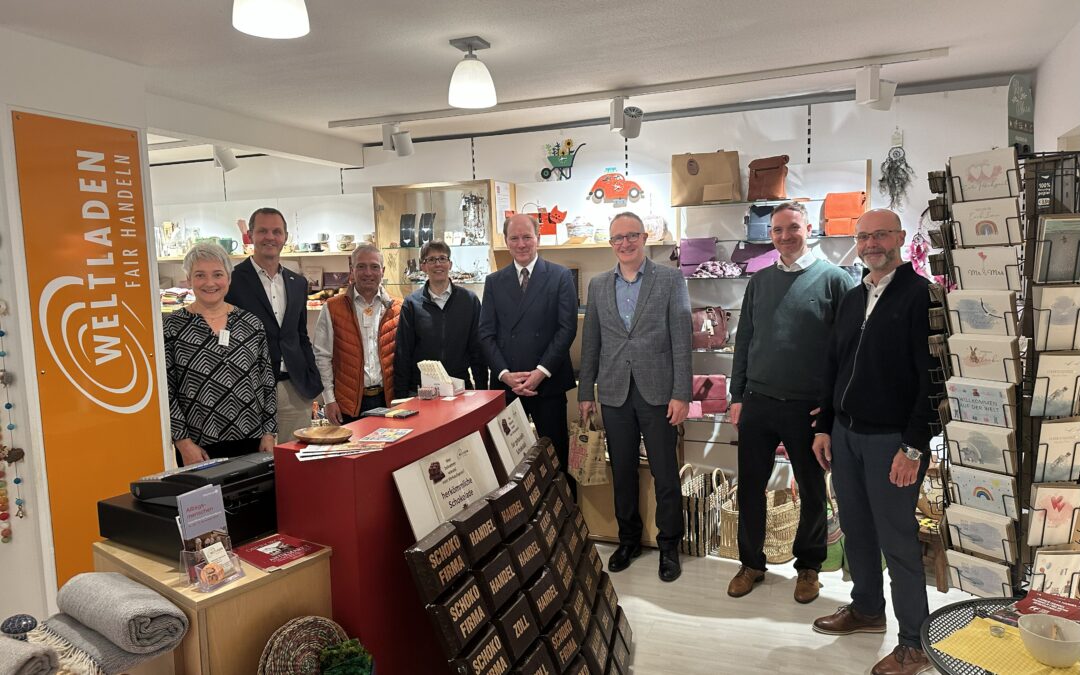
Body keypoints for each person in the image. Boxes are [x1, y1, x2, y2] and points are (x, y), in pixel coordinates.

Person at [811, 209, 935, 675]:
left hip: (892, 443)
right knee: (857, 529)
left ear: (900, 238)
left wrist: (914, 447)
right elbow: (834, 366)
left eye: (881, 234)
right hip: (845, 435)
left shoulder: (922, 296)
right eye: (863, 236)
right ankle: (866, 608)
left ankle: (914, 643)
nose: (870, 244)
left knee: (898, 541)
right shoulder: (851, 295)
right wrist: (824, 425)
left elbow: (932, 381)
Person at [726, 202, 854, 603]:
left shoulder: (835, 281)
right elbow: (744, 340)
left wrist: (831, 407)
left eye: (792, 228)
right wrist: (736, 395)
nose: (784, 236)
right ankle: (751, 563)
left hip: (808, 407)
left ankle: (809, 567)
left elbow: (848, 351)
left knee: (813, 489)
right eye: (777, 230)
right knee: (749, 486)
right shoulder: (759, 281)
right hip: (758, 402)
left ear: (809, 228)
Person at [578, 212, 692, 582]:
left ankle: (669, 544)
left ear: (644, 238)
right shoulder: (597, 285)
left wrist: (681, 393)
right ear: (610, 243)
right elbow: (591, 342)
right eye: (617, 238)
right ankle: (627, 540)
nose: (625, 243)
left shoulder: (670, 279)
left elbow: (681, 340)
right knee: (622, 470)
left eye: (631, 236)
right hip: (613, 392)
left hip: (658, 392)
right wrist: (585, 392)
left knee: (664, 472)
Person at [479, 214, 578, 489]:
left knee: (556, 459)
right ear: (506, 241)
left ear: (538, 238)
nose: (521, 244)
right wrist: (505, 374)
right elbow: (485, 334)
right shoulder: (494, 281)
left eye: (527, 237)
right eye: (514, 238)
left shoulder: (560, 276)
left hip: (548, 385)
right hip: (509, 387)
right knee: (510, 464)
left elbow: (566, 329)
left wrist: (540, 372)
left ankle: (563, 525)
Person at [164, 243, 276, 466]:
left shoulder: (251, 323)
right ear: (188, 279)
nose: (210, 283)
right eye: (200, 275)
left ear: (229, 278)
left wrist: (269, 433)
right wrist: (183, 443)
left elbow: (266, 382)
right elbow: (167, 391)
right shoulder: (171, 327)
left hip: (252, 441)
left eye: (217, 274)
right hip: (199, 446)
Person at [226, 208, 322, 440]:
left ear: (285, 237)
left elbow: (300, 335)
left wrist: (311, 375)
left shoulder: (297, 282)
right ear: (250, 235)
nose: (270, 237)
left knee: (296, 460)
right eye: (263, 231)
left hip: (295, 387)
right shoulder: (231, 280)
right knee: (259, 464)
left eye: (277, 231)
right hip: (251, 389)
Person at [314, 244, 402, 423]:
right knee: (353, 451)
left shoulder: (398, 308)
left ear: (382, 271)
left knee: (390, 451)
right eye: (361, 266)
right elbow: (322, 357)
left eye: (374, 266)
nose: (368, 272)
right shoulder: (332, 308)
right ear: (352, 270)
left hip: (389, 401)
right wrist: (329, 401)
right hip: (348, 404)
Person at [393, 241, 488, 398]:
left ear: (450, 264)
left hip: (461, 388)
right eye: (431, 260)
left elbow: (477, 350)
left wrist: (483, 392)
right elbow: (403, 354)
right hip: (422, 391)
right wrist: (401, 397)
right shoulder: (411, 304)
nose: (438, 264)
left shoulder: (469, 300)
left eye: (442, 258)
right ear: (423, 266)